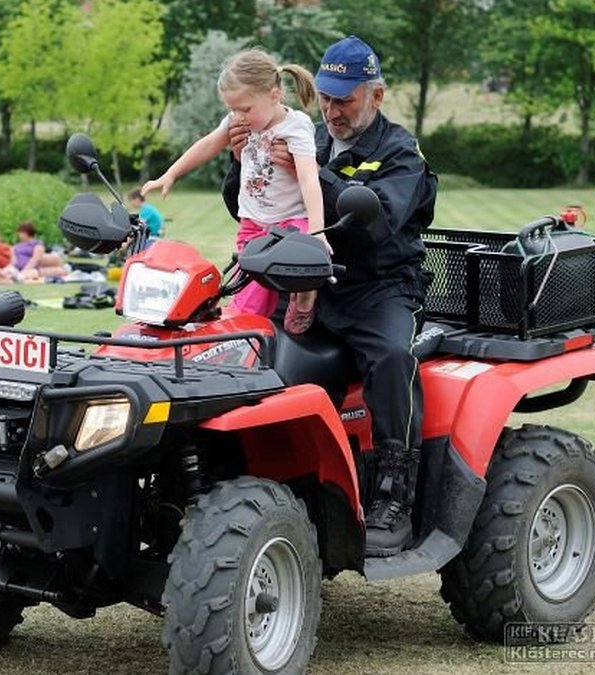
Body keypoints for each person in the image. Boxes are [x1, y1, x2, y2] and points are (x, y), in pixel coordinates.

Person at [223, 35, 438, 557]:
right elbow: (246, 207)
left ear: (377, 96)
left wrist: (306, 170)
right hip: (304, 282)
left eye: (345, 98)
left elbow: (377, 224)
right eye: (325, 96)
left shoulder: (399, 152)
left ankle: (394, 496)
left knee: (391, 356)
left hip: (378, 287)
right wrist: (239, 166)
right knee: (239, 344)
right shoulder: (302, 134)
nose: (332, 109)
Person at [141, 48, 326, 329]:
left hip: (290, 221)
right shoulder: (238, 121)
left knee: (301, 255)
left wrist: (316, 232)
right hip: (252, 224)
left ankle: (304, 297)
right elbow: (208, 144)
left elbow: (309, 179)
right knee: (247, 305)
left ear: (274, 95)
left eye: (246, 109)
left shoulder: (296, 127)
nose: (238, 116)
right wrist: (171, 174)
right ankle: (244, 343)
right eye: (232, 109)